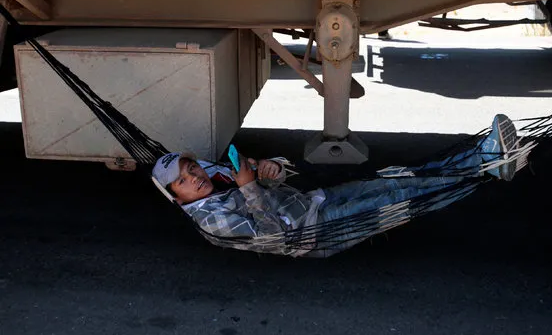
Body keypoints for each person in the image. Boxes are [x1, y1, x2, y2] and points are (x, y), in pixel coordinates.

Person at [152, 114, 520, 257]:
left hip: (316, 202)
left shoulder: (216, 181)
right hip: (321, 231)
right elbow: (272, 237)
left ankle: (482, 157)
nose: (194, 178)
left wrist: (269, 169)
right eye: (183, 181)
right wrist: (250, 187)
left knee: (395, 180)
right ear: (176, 197)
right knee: (405, 199)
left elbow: (281, 179)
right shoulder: (210, 220)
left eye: (190, 169)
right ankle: (487, 167)